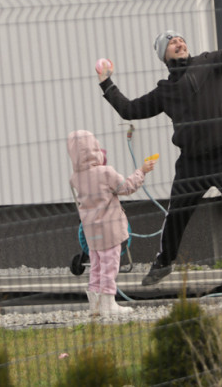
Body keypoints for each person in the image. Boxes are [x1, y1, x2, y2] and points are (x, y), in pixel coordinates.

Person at [97, 29, 222, 285]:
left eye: (180, 39)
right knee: (176, 214)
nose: (179, 43)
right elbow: (130, 109)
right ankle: (163, 263)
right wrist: (107, 83)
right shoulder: (165, 92)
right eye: (172, 43)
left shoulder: (208, 62)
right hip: (192, 164)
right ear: (165, 56)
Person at [67, 129, 157, 316]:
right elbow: (127, 187)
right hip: (110, 229)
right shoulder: (105, 172)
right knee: (110, 266)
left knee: (97, 266)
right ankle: (109, 304)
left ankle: (95, 306)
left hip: (91, 231)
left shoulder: (76, 178)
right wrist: (142, 171)